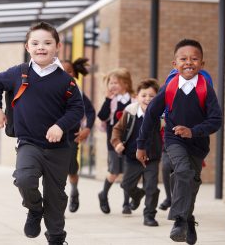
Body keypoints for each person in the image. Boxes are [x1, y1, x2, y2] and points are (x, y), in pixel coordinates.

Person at [0, 22, 84, 245]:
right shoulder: (18, 73)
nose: (41, 47)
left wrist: (60, 126)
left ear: (57, 46)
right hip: (28, 143)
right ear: (27, 46)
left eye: (47, 43)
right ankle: (33, 209)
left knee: (56, 196)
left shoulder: (66, 80)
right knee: (24, 179)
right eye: (35, 43)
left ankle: (57, 238)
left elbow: (76, 109)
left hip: (59, 149)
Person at [136, 39, 222, 244]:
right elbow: (150, 116)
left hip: (198, 143)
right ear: (175, 64)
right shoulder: (169, 88)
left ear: (202, 63)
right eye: (183, 59)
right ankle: (179, 221)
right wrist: (141, 144)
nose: (189, 62)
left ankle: (188, 220)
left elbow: (216, 121)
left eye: (194, 59)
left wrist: (193, 132)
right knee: (183, 171)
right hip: (174, 139)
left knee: (190, 181)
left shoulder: (206, 89)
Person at [111, 78, 162, 226]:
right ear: (137, 96)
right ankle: (138, 194)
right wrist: (117, 143)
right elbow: (116, 130)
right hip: (132, 157)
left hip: (151, 158)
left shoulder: (160, 115)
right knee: (126, 185)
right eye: (144, 95)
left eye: (151, 96)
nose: (147, 99)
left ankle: (149, 215)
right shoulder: (130, 112)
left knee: (151, 187)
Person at [97, 68, 134, 215]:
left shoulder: (134, 99)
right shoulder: (111, 101)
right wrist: (107, 99)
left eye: (115, 83)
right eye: (110, 83)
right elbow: (102, 116)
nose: (112, 86)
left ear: (125, 83)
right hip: (113, 141)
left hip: (130, 141)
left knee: (128, 172)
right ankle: (103, 194)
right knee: (114, 171)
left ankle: (126, 204)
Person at [61, 58, 96, 213]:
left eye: (68, 71)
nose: (65, 74)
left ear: (74, 74)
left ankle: (74, 191)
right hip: (52, 137)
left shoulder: (77, 92)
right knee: (56, 172)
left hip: (72, 137)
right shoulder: (47, 89)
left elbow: (90, 111)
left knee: (71, 169)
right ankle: (59, 206)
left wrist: (87, 129)